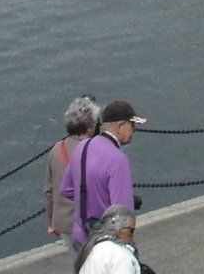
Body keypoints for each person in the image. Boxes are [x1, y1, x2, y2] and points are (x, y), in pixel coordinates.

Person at [60, 100, 143, 261]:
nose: (134, 130)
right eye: (132, 125)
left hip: (81, 238)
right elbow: (123, 214)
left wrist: (95, 199)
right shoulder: (118, 160)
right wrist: (130, 250)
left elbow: (66, 189)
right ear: (121, 126)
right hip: (107, 245)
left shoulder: (83, 147)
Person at [45, 96, 101, 255]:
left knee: (78, 263)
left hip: (63, 222)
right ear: (90, 126)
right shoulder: (95, 150)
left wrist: (51, 221)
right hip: (90, 222)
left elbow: (49, 190)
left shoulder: (56, 149)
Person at [76, 205, 142, 273]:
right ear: (119, 228)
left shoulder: (91, 247)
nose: (132, 236)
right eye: (132, 230)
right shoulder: (121, 256)